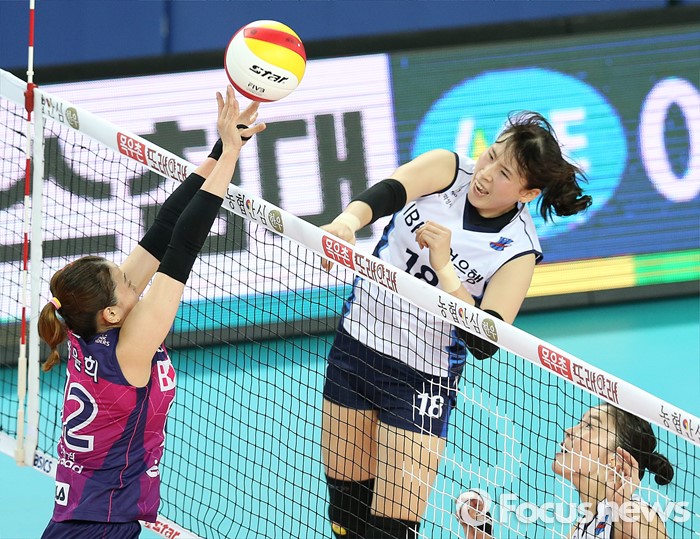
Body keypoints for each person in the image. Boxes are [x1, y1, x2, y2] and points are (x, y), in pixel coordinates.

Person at [319, 111, 592, 539]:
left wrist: (445, 268)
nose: (485, 174)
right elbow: (389, 191)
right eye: (490, 156)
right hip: (356, 346)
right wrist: (347, 222)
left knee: (389, 531)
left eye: (504, 173)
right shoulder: (448, 169)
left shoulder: (518, 251)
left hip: (420, 380)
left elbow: (486, 341)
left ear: (528, 193)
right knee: (346, 511)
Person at [37, 86, 265, 539]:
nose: (133, 282)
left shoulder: (86, 323)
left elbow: (163, 230)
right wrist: (231, 159)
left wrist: (222, 147)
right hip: (101, 527)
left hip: (82, 518)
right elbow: (184, 245)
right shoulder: (129, 351)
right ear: (111, 313)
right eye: (126, 284)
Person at [457, 403, 675, 539]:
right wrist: (479, 531)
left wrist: (621, 506)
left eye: (589, 426)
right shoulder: (582, 526)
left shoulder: (639, 514)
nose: (569, 430)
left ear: (616, 458)